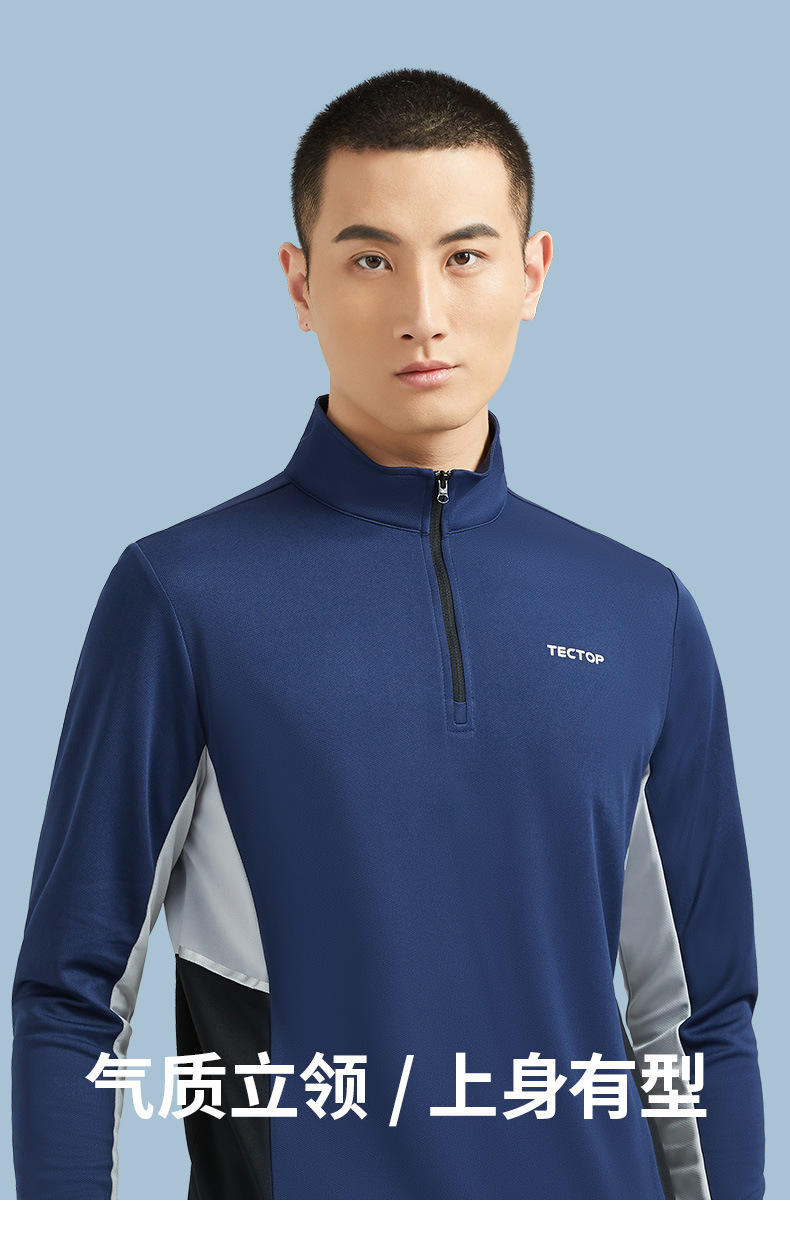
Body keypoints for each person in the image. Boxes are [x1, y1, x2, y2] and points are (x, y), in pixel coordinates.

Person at [11, 67, 765, 1200]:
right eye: (371, 259)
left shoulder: (639, 610)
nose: (423, 310)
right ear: (300, 283)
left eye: (464, 256)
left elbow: (699, 1021)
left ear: (531, 273)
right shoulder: (181, 597)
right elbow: (74, 995)